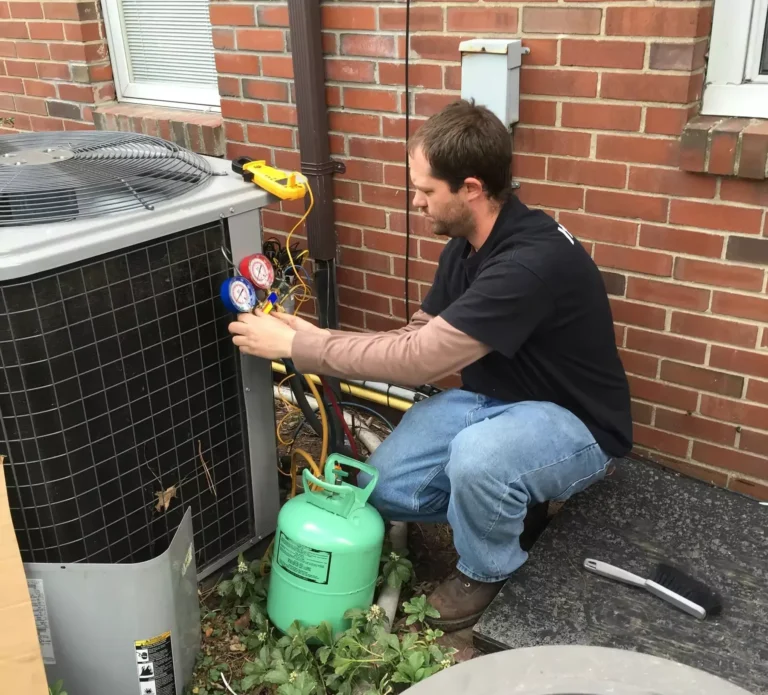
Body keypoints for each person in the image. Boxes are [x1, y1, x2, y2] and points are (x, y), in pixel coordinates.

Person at [228, 99, 633, 632]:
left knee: (481, 459)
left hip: (575, 425)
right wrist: (312, 336)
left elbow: (418, 362)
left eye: (425, 190)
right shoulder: (466, 247)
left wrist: (296, 349)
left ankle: (487, 567)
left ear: (471, 188)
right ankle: (509, 504)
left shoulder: (527, 265)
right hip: (498, 402)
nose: (416, 202)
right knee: (384, 487)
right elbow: (417, 336)